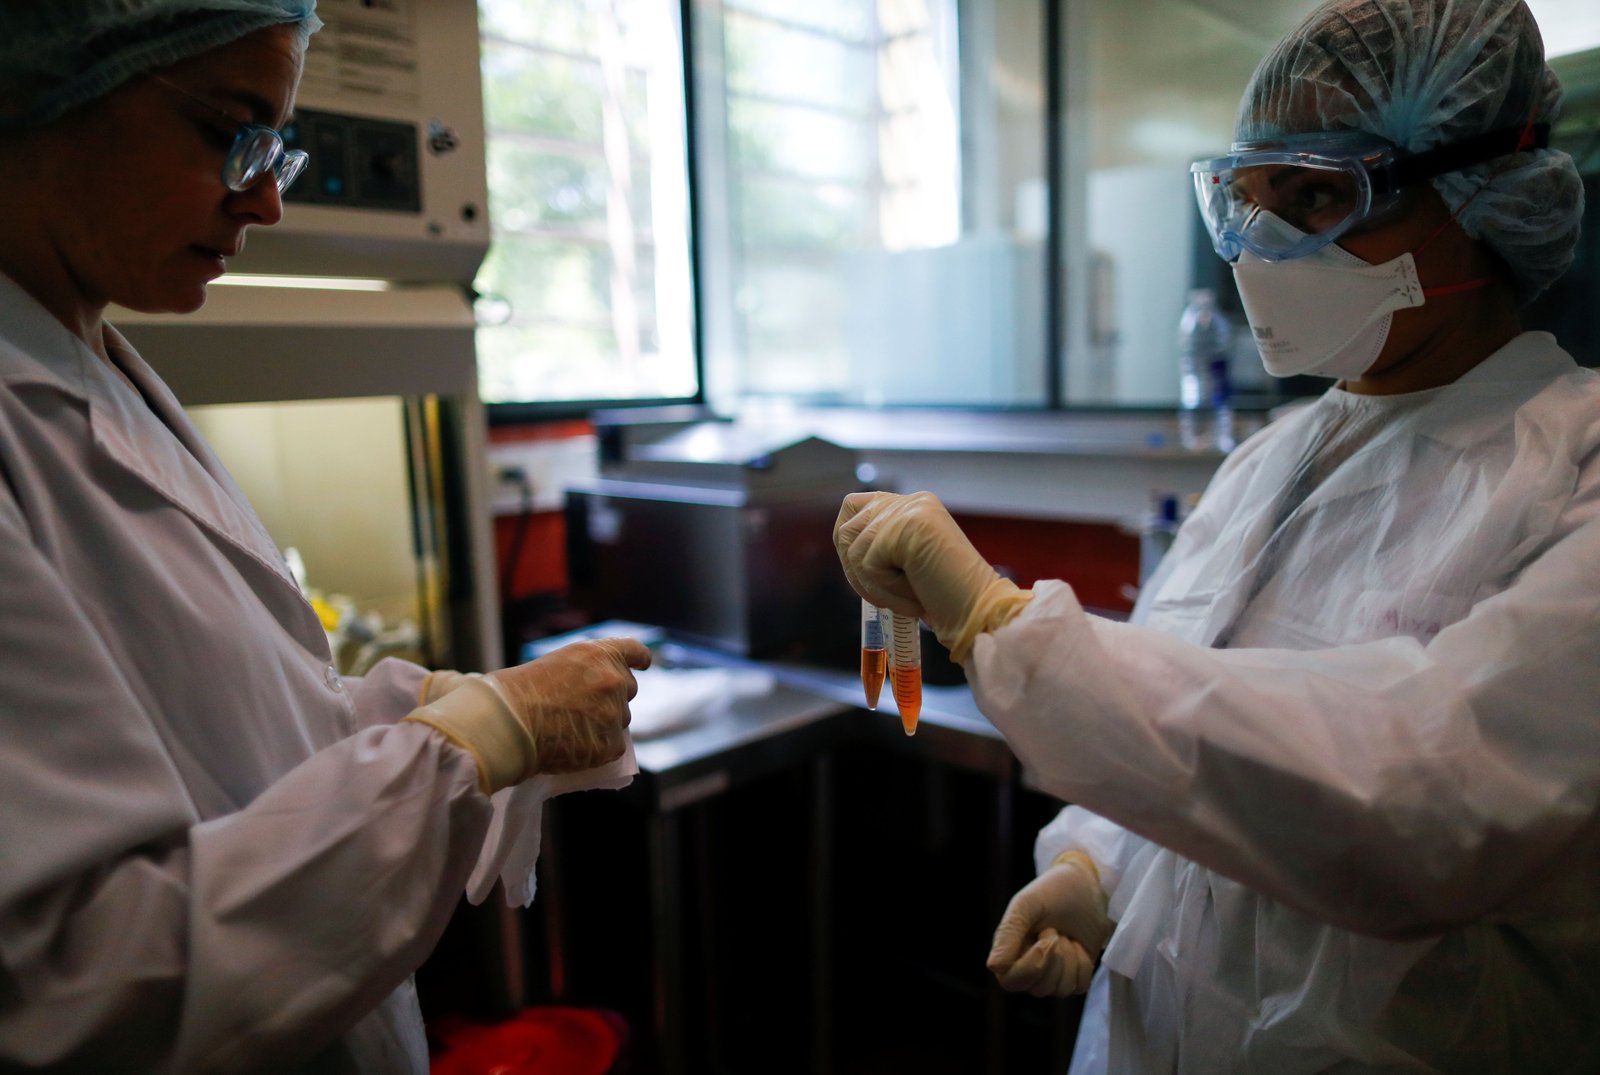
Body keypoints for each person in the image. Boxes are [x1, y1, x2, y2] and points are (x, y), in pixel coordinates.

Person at [835, 0, 1597, 1070]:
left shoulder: (1577, 469)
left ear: (1481, 195)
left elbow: (1432, 801)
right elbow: (1187, 700)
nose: (1263, 248)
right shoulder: (1269, 459)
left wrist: (1000, 621)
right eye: (1245, 200)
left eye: (1316, 197)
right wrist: (1097, 869)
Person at [0, 2, 652, 1071]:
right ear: (46, 79)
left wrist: (430, 706)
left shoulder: (98, 362)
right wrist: (474, 743)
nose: (264, 200)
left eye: (280, 148)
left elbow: (239, 728)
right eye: (230, 130)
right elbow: (81, 980)